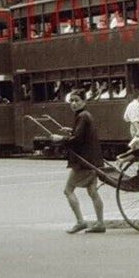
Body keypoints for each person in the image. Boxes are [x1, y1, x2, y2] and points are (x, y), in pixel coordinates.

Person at [58, 92, 106, 234]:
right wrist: (70, 131)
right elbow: (81, 134)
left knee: (68, 190)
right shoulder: (85, 115)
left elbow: (77, 139)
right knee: (92, 192)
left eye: (77, 100)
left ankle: (80, 221)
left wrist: (59, 139)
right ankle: (100, 223)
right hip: (94, 161)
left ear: (84, 101)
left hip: (84, 162)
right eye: (71, 100)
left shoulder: (82, 116)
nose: (73, 103)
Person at [122, 88, 139, 153]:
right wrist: (138, 130)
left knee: (135, 148)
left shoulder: (130, 104)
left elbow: (126, 117)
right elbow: (134, 119)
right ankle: (121, 159)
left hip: (133, 127)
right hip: (137, 127)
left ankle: (121, 159)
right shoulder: (137, 104)